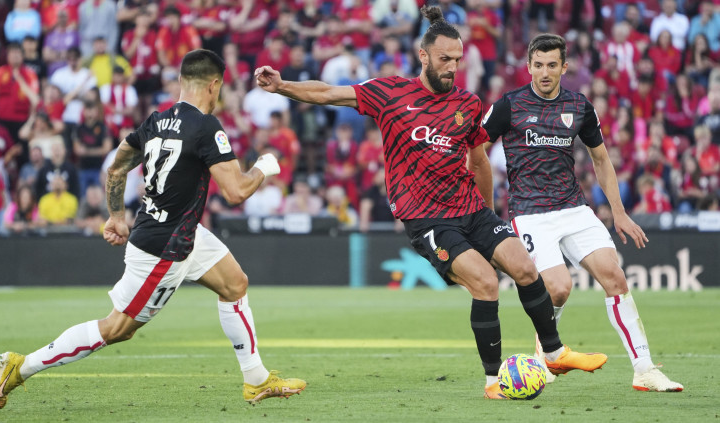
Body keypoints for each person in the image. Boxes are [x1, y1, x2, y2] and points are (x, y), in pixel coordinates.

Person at [255, 5, 606, 399]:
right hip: (428, 219)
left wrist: (489, 216)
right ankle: (493, 381)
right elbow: (328, 92)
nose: (452, 67)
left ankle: (554, 352)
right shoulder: (390, 93)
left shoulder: (468, 104)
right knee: (486, 282)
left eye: (457, 60)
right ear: (423, 56)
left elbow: (479, 162)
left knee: (525, 268)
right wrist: (282, 86)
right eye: (444, 59)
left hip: (472, 210)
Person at [0, 49, 305, 409]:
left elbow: (116, 167)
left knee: (235, 284)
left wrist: (116, 216)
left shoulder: (156, 121)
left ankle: (256, 379)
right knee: (117, 328)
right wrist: (264, 168)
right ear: (214, 85)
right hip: (164, 247)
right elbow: (236, 192)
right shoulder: (206, 126)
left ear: (182, 81)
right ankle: (22, 366)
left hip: (182, 232)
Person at [481, 33, 683, 392]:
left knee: (615, 278)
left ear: (564, 67)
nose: (545, 72)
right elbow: (475, 151)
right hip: (530, 213)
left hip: (574, 208)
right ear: (529, 66)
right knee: (559, 289)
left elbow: (601, 160)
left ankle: (644, 370)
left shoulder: (579, 106)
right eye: (538, 65)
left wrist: (619, 212)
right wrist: (481, 208)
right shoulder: (509, 105)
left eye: (552, 65)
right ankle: (548, 353)